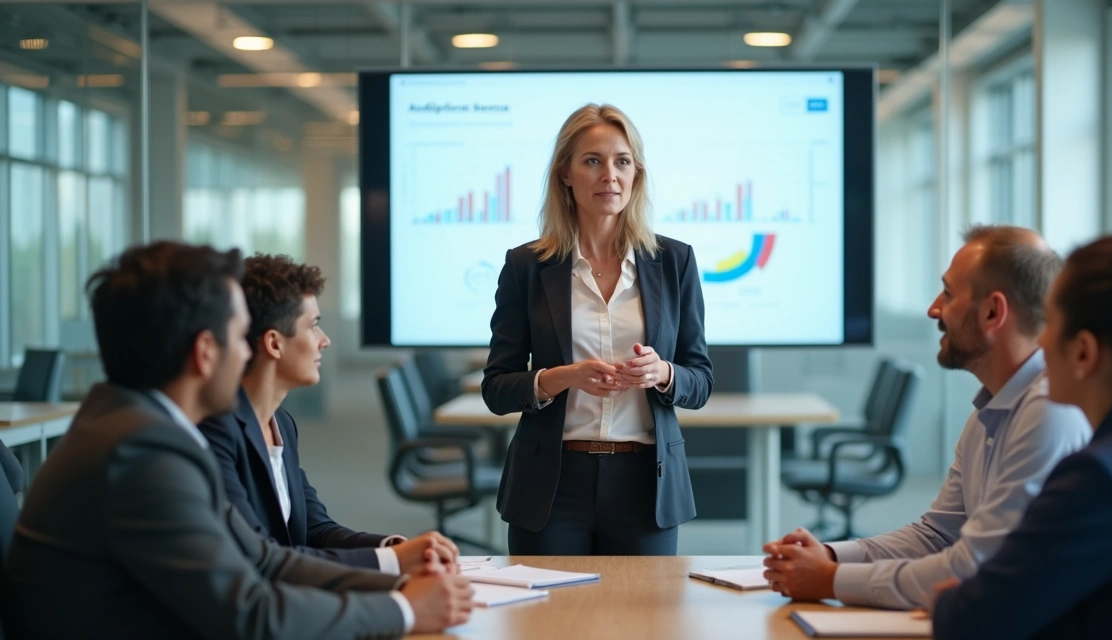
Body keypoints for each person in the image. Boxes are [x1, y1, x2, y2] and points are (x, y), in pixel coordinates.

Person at [3, 242, 473, 639]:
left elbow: (263, 560)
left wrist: (397, 579)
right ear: (206, 353)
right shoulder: (139, 453)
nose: (248, 351)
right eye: (238, 336)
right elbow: (251, 614)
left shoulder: (143, 429)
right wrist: (405, 610)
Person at [763, 225, 1091, 610]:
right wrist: (831, 556)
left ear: (992, 312)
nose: (934, 309)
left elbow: (976, 567)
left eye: (948, 294)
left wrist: (830, 579)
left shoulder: (1049, 412)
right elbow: (936, 536)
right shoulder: (990, 412)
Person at [933, 235, 1112, 639]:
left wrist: (951, 600)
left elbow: (972, 620)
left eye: (1049, 323)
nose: (1040, 341)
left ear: (1084, 351)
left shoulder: (1103, 479)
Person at [482, 103, 713, 556]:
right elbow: (496, 389)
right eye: (593, 161)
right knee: (548, 605)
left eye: (622, 161)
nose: (610, 175)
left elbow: (700, 381)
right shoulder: (526, 266)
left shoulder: (675, 261)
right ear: (565, 174)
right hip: (551, 485)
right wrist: (563, 377)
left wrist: (663, 373)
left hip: (646, 484)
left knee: (646, 606)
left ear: (635, 174)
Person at [198, 254, 458, 575]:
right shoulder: (217, 431)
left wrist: (394, 548)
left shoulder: (281, 424)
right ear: (274, 344)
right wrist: (395, 562)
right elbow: (260, 559)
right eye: (313, 326)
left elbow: (315, 530)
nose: (325, 340)